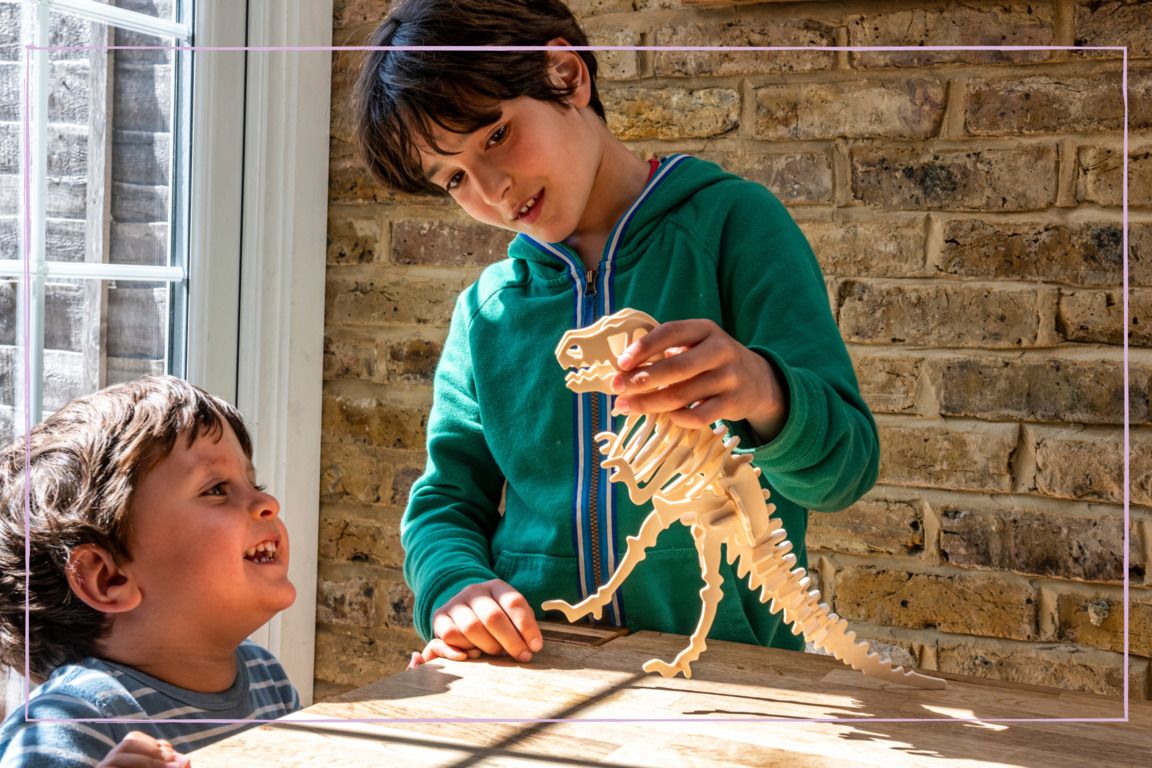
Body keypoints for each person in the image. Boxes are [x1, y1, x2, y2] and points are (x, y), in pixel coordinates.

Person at [355, 0, 880, 668]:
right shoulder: (486, 312)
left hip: (735, 679)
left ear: (567, 75)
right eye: (454, 177)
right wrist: (456, 587)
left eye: (494, 135)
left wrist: (764, 391)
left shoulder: (735, 228)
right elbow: (446, 503)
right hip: (540, 674)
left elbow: (846, 470)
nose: (491, 188)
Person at [0, 376, 300, 767]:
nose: (267, 502)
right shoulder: (69, 721)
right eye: (216, 489)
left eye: (253, 481)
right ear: (110, 579)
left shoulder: (266, 677)